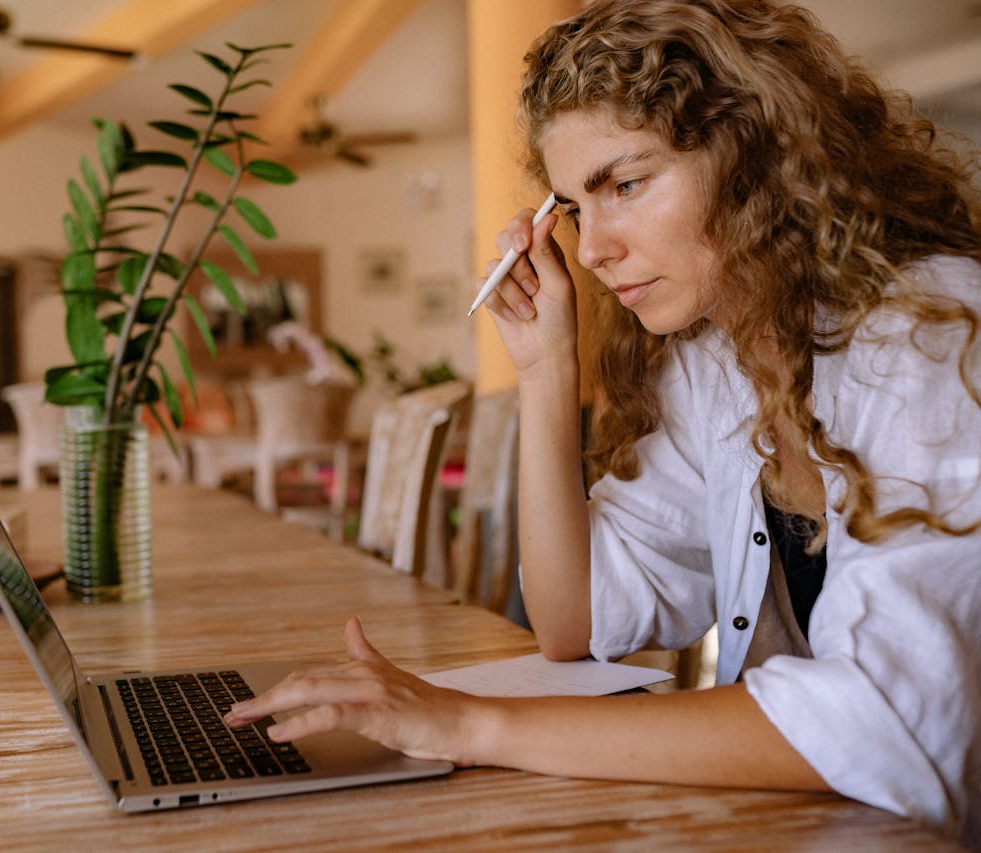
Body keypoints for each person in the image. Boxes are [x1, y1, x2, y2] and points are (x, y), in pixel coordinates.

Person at [224, 0, 981, 843]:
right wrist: (548, 369)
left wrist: (468, 726)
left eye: (625, 184)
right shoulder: (718, 362)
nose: (592, 250)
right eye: (579, 207)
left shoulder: (937, 338)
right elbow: (574, 619)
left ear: (753, 157)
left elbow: (887, 719)